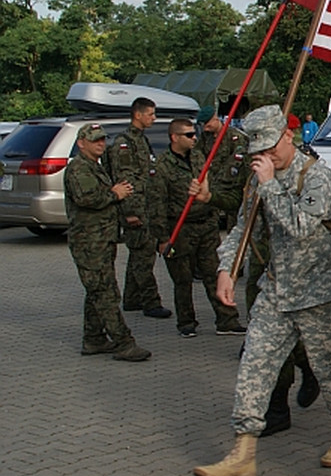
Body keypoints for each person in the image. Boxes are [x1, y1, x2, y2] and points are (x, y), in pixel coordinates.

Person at [193, 105, 331, 476]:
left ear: (288, 136)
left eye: (270, 148)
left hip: (318, 294)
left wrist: (268, 184)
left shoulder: (318, 177)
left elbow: (300, 226)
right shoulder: (258, 179)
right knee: (254, 369)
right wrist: (226, 269)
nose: (264, 157)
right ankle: (242, 452)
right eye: (258, 151)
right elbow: (242, 227)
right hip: (275, 291)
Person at [65, 123, 151, 362]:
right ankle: (124, 343)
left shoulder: (95, 167)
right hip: (89, 242)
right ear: (81, 143)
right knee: (105, 293)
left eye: (102, 139)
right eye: (95, 140)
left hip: (102, 239)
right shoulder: (79, 168)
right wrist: (115, 194)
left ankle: (93, 339)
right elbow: (86, 198)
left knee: (97, 290)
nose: (101, 144)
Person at [154, 118, 245, 337]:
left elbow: (211, 184)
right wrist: (163, 238)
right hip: (181, 228)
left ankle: (227, 320)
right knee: (183, 279)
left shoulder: (198, 157)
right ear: (174, 137)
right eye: (188, 135)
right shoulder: (163, 166)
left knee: (214, 273)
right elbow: (157, 204)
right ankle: (186, 322)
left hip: (206, 225)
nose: (194, 138)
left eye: (194, 134)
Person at [105, 96, 171, 319]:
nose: (154, 118)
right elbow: (126, 181)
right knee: (143, 257)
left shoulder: (141, 139)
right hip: (137, 209)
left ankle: (132, 299)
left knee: (139, 254)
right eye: (151, 114)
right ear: (138, 114)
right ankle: (151, 302)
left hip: (146, 206)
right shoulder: (125, 143)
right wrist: (131, 213)